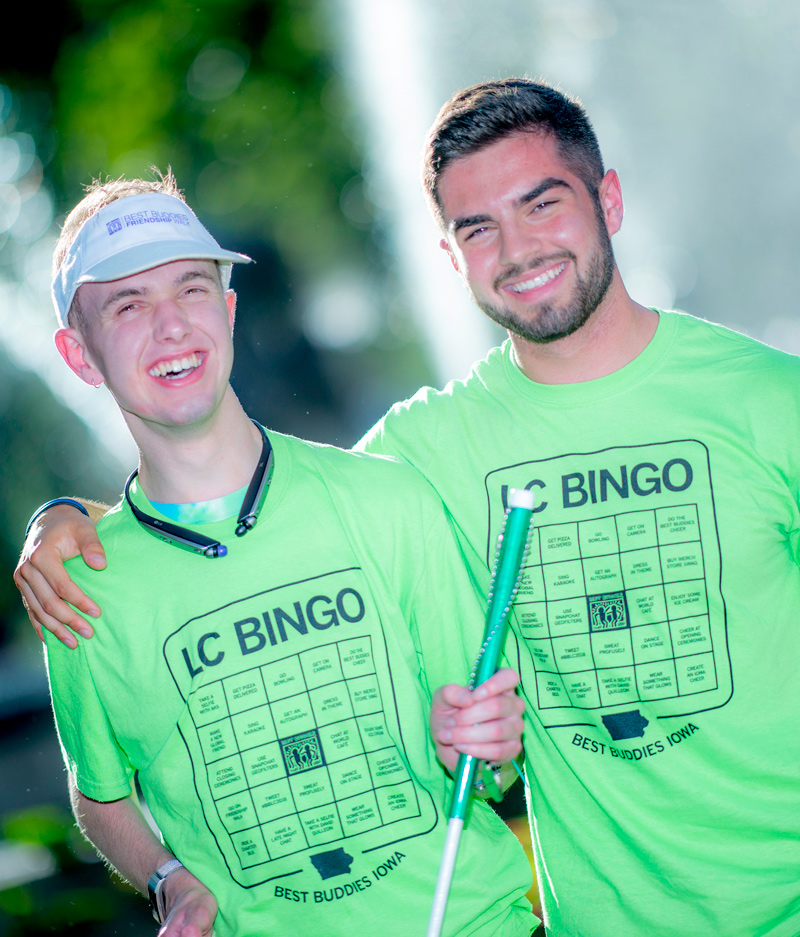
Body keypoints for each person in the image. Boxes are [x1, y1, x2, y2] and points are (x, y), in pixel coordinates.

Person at [16, 77, 800, 935]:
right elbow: (238, 516)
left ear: (608, 199)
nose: (520, 247)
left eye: (543, 204)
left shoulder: (771, 399)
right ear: (449, 255)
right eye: (479, 228)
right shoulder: (418, 453)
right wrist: (63, 517)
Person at [23, 173, 536, 937]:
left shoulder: (387, 501)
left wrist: (483, 743)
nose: (171, 327)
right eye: (128, 305)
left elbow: (497, 758)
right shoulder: (79, 586)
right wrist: (168, 879)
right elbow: (98, 791)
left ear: (227, 311)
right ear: (80, 354)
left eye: (191, 290)